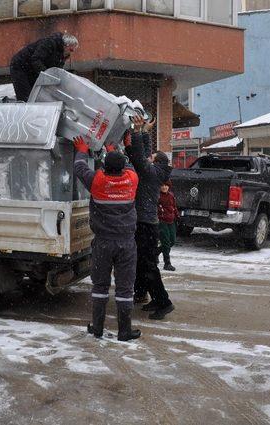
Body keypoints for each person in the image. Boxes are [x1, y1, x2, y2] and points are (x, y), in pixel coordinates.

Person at [72, 135, 141, 342]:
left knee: (100, 286)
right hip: (126, 243)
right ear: (122, 169)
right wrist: (114, 150)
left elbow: (79, 166)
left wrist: (82, 149)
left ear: (104, 167)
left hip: (103, 242)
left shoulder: (98, 182)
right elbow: (130, 167)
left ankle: (98, 328)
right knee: (125, 288)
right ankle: (124, 331)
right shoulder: (131, 179)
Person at [125, 116, 175, 320]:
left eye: (152, 157)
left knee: (148, 265)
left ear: (156, 163)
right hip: (147, 224)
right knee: (145, 264)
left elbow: (138, 158)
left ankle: (164, 302)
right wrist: (145, 132)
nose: (149, 157)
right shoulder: (156, 171)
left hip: (145, 225)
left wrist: (137, 132)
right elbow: (143, 156)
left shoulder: (150, 173)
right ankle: (153, 298)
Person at [9, 33, 78, 101]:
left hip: (32, 69)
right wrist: (47, 75)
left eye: (73, 51)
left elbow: (57, 70)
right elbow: (36, 59)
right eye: (71, 50)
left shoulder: (63, 54)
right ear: (65, 45)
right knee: (25, 95)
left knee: (36, 94)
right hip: (20, 66)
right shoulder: (49, 43)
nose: (71, 53)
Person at [158, 180, 179, 271]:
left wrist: (177, 215)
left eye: (166, 185)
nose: (164, 187)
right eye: (162, 185)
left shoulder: (171, 195)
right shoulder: (157, 196)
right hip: (161, 221)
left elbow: (174, 207)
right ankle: (167, 263)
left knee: (172, 241)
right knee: (166, 242)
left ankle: (155, 252)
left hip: (171, 220)